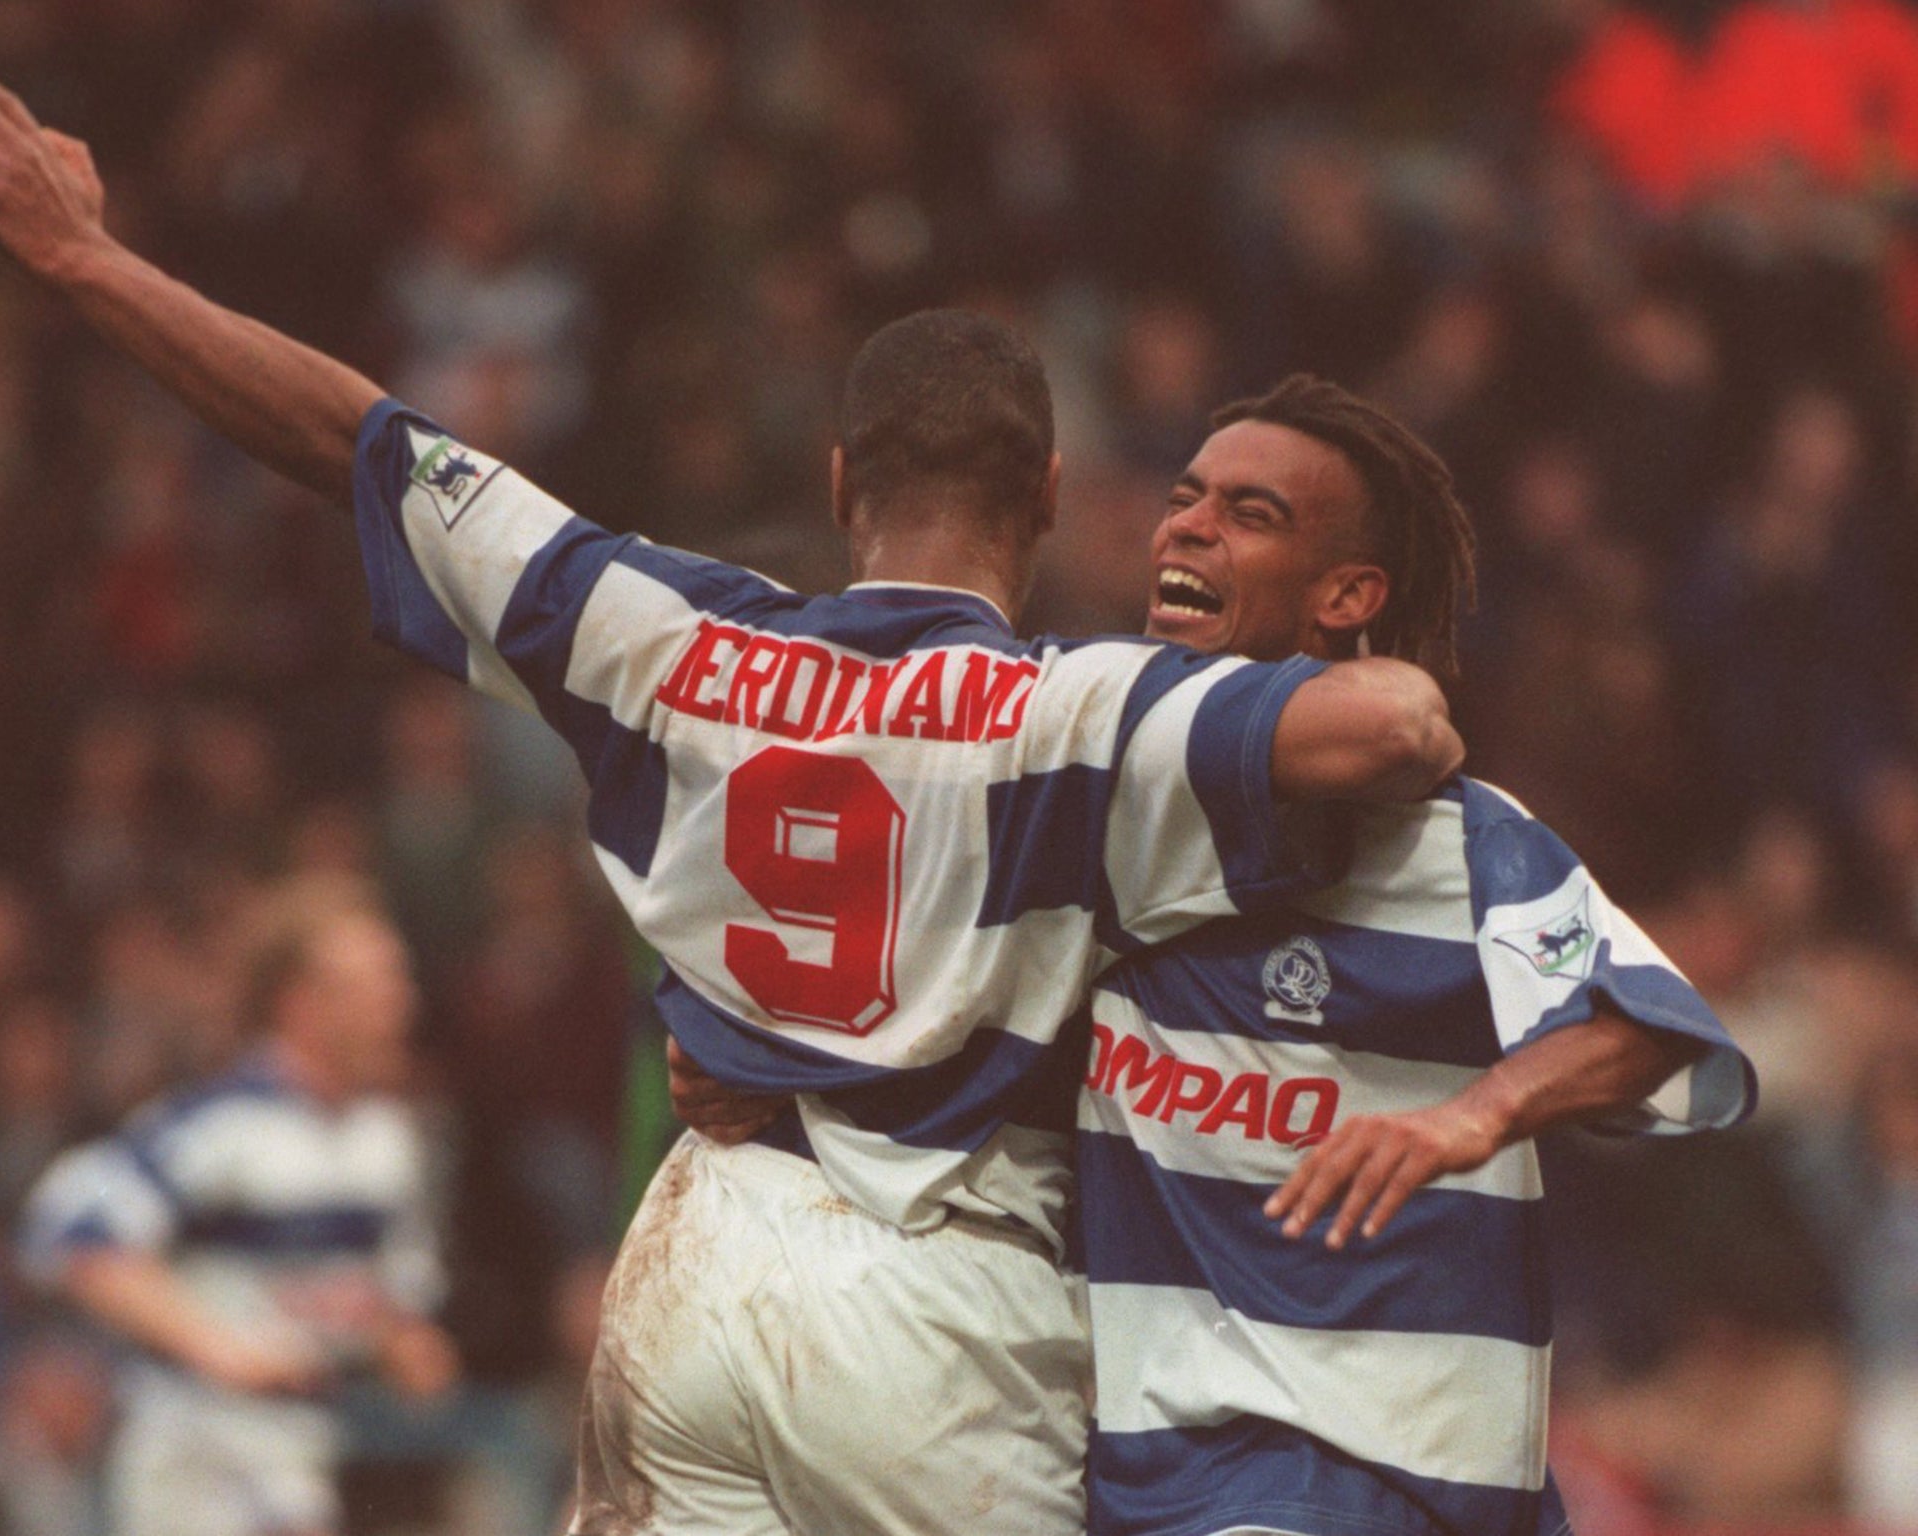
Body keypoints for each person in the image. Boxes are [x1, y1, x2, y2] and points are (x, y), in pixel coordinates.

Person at [0, 65, 1463, 1535]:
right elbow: (1394, 732)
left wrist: (91, 263)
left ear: (845, 480)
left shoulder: (665, 634)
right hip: (945, 1304)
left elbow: (354, 437)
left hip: (697, 1268)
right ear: (1048, 498)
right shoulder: (1093, 705)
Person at [678, 377, 1757, 1536]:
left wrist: (1473, 1117)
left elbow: (1649, 1026)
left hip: (1402, 1481)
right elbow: (946, 1016)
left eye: (1249, 513)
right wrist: (785, 1061)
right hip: (1177, 1492)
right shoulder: (1086, 846)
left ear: (1345, 593)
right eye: (1185, 497)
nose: (1185, 525)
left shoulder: (1463, 843)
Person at [22, 880, 458, 1536]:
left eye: (398, 981)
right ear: (301, 1001)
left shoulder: (390, 1142)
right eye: (373, 983)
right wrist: (216, 1346)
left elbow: (384, 1297)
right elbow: (72, 1226)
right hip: (197, 1455)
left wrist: (401, 1340)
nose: (399, 1003)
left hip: (312, 1450)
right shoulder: (220, 1126)